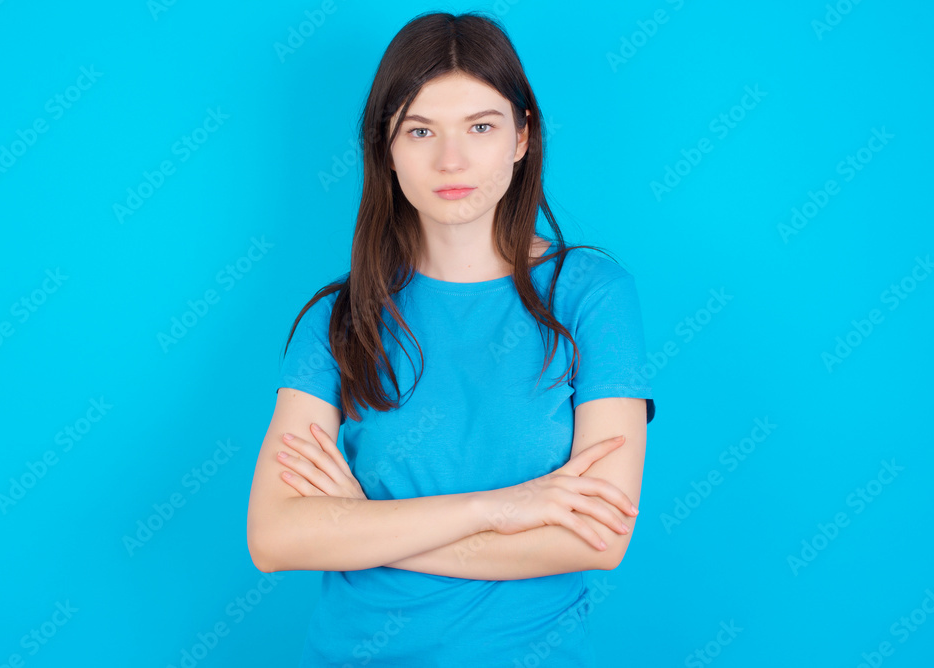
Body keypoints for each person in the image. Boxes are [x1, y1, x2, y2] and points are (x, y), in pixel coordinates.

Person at [246, 11, 656, 666]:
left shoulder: (591, 295)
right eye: (420, 130)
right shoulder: (343, 317)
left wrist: (365, 525)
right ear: (385, 147)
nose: (451, 159)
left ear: (522, 136)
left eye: (481, 126)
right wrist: (501, 509)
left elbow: (597, 538)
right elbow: (274, 537)